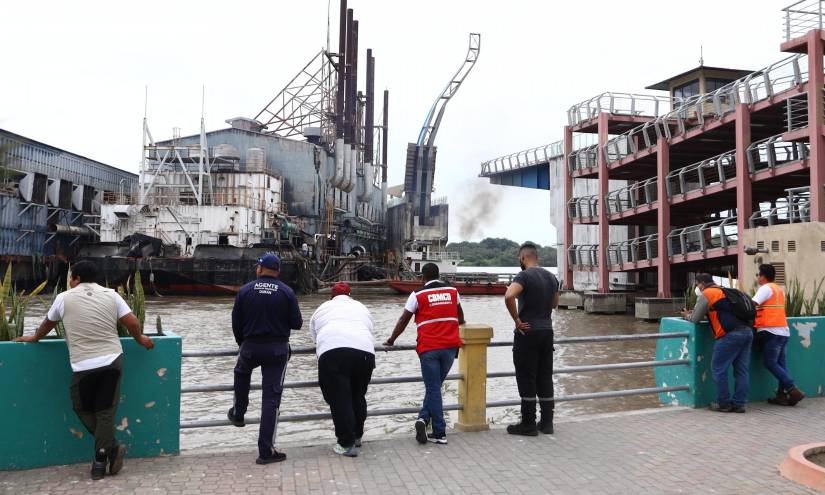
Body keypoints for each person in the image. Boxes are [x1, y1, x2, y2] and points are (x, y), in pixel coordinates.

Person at [15, 261, 154, 480]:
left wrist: (34, 337)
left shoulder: (63, 298)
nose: (70, 281)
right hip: (112, 360)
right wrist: (140, 339)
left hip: (83, 364)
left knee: (81, 407)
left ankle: (100, 460)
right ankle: (111, 448)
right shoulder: (112, 295)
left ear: (76, 278)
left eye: (71, 277)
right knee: (105, 411)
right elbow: (133, 322)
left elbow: (47, 325)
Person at [228, 253, 303, 465]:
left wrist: (242, 343)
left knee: (241, 373)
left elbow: (236, 322)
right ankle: (265, 451)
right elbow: (297, 323)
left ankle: (238, 412)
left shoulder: (245, 290)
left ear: (260, 269)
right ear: (278, 271)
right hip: (277, 350)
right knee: (271, 400)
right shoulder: (287, 292)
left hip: (250, 346)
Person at [383, 262, 465, 445]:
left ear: (422, 277)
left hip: (429, 348)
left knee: (433, 388)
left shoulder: (417, 294)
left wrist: (391, 339)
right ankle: (422, 419)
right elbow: (460, 317)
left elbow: (404, 319)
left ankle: (439, 432)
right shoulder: (453, 292)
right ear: (439, 275)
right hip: (450, 347)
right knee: (435, 387)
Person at [309, 282, 375, 457]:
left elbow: (314, 336)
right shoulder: (361, 307)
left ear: (331, 296)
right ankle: (358, 435)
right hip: (365, 353)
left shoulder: (322, 308)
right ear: (350, 295)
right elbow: (369, 329)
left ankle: (346, 443)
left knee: (339, 398)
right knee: (358, 395)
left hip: (333, 352)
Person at [504, 242, 560, 436]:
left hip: (528, 332)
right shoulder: (551, 277)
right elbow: (554, 304)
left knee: (526, 377)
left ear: (522, 258)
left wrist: (517, 320)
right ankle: (547, 423)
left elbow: (509, 295)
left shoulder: (524, 276)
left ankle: (528, 423)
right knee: (545, 377)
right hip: (547, 332)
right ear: (537, 257)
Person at [681, 273, 753, 413]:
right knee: (741, 370)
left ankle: (723, 403)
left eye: (697, 284)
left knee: (718, 369)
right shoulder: (723, 291)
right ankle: (739, 404)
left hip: (729, 335)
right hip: (747, 332)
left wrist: (686, 315)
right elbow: (719, 312)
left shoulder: (707, 293)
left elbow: (695, 319)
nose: (697, 287)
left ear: (701, 284)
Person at [752, 264, 804, 406]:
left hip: (770, 331)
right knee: (781, 364)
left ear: (763, 276)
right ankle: (781, 395)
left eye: (758, 274)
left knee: (770, 363)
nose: (758, 277)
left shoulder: (765, 288)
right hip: (783, 331)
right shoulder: (778, 289)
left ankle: (792, 389)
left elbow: (751, 305)